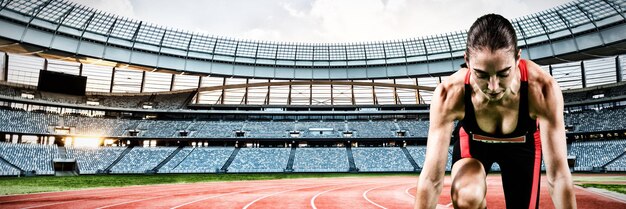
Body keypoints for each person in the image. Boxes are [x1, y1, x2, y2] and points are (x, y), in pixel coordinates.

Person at [414, 14, 577, 209]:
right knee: (468, 196)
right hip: (473, 147)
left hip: (523, 149)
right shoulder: (449, 94)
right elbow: (431, 179)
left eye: (503, 73)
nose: (492, 87)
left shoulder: (542, 90)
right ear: (467, 61)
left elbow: (558, 176)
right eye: (481, 74)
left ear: (518, 58)